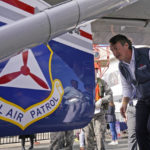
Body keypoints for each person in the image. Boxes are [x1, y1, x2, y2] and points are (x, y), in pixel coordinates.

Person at [109, 34, 150, 150]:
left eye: (116, 48)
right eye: (112, 50)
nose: (115, 53)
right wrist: (124, 104)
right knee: (139, 131)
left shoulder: (146, 54)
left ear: (126, 45)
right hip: (143, 99)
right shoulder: (122, 66)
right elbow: (127, 87)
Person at [84, 77, 113, 150]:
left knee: (100, 137)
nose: (94, 71)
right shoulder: (82, 80)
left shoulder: (102, 82)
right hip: (87, 115)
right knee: (87, 137)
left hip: (99, 114)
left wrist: (101, 100)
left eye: (96, 69)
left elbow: (110, 95)